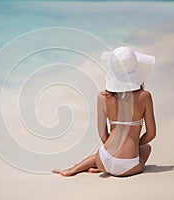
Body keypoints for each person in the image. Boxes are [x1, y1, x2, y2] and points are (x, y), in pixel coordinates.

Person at [52, 47, 156, 177]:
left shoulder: (102, 97)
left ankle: (74, 169)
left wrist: (112, 153)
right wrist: (134, 145)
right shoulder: (144, 96)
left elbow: (102, 134)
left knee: (106, 152)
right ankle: (106, 166)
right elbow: (151, 134)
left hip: (103, 158)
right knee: (146, 148)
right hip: (127, 165)